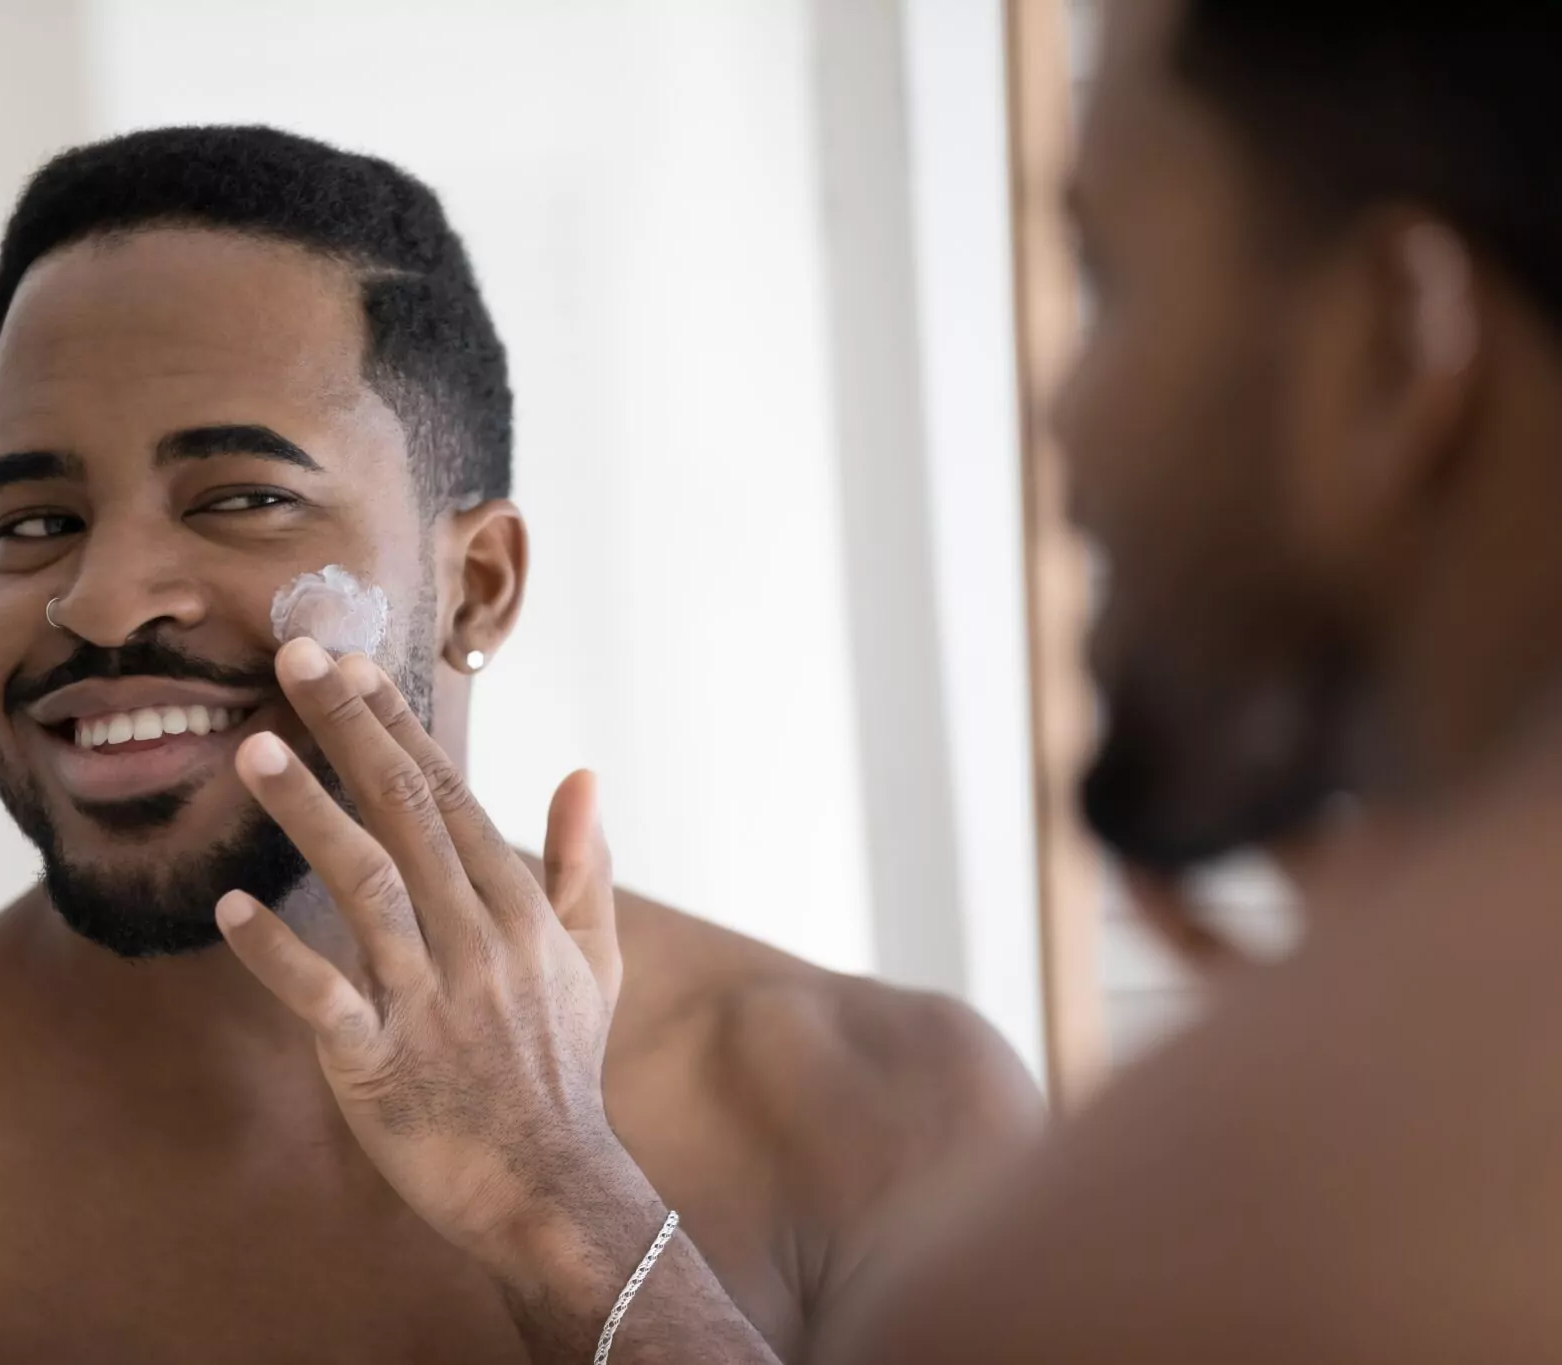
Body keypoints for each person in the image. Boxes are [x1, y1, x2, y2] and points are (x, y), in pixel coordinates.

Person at [0, 126, 1036, 1364]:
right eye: (33, 522)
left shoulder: (875, 1119)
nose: (98, 597)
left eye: (240, 497)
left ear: (478, 582)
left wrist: (563, 1208)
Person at [209, 2, 1562, 1360]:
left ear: (1395, 353)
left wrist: (560, 1209)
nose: (1064, 426)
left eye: (1113, 281)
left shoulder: (1163, 1260)